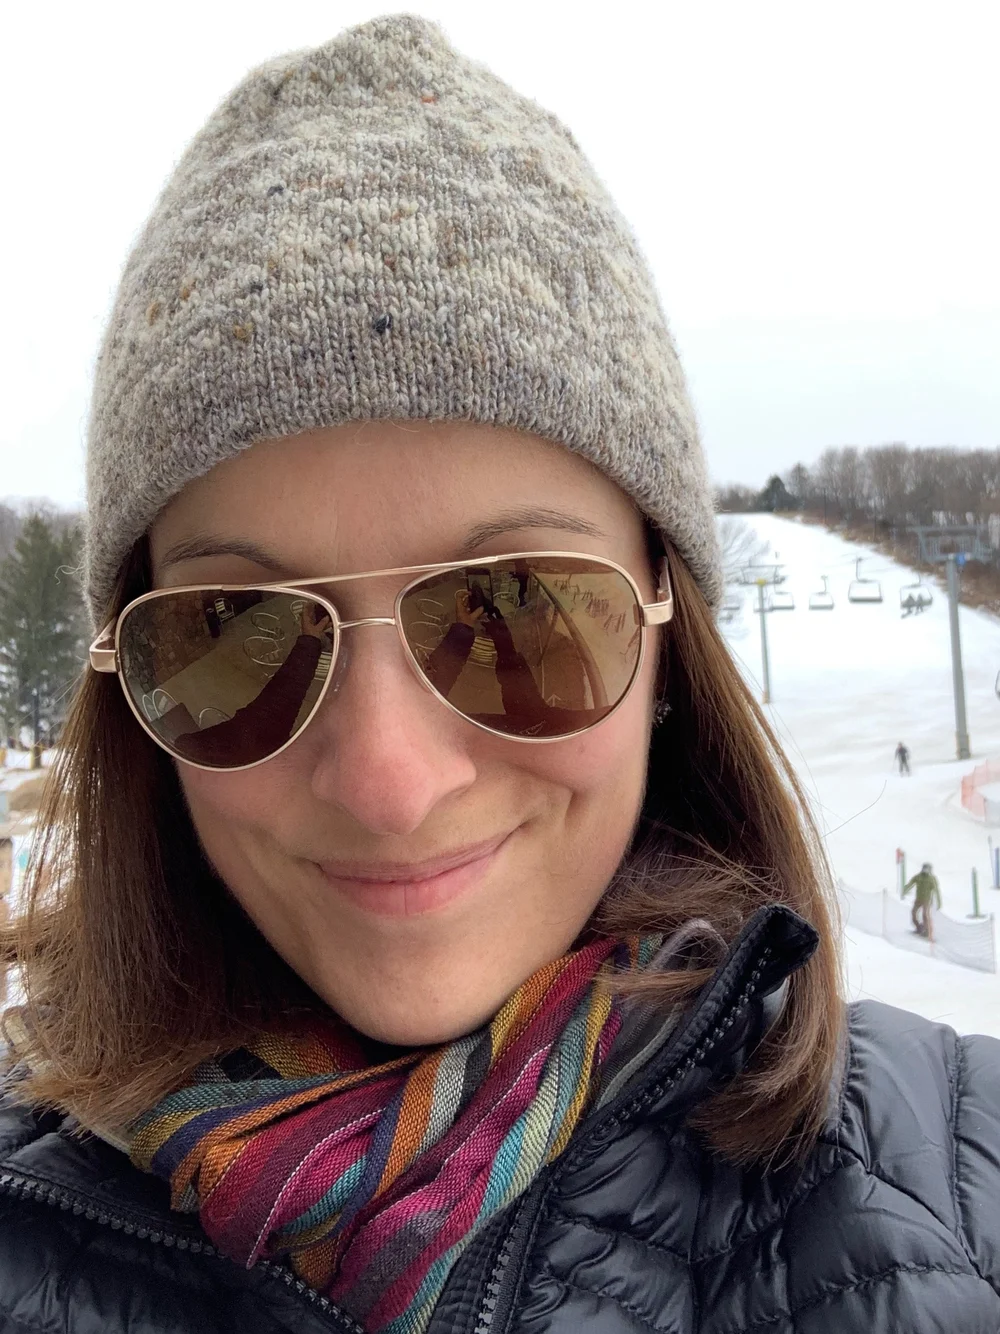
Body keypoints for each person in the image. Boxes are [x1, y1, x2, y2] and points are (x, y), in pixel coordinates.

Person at [1, 17, 999, 1334]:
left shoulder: (963, 1198)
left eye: (518, 613)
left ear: (664, 634)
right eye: (235, 632)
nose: (389, 782)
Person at [903, 862, 942, 937]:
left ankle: (927, 931)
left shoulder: (932, 879)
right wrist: (905, 890)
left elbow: (936, 891)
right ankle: (919, 928)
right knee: (913, 913)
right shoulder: (918, 877)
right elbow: (911, 883)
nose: (925, 870)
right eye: (924, 868)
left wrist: (939, 902)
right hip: (918, 899)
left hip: (926, 900)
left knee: (925, 915)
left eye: (927, 869)